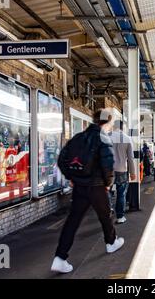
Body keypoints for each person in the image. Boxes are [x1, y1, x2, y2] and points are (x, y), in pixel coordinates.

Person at [51, 109, 124, 274]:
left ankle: (60, 258)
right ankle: (111, 243)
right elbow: (107, 165)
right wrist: (108, 183)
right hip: (97, 186)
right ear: (107, 122)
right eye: (111, 123)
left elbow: (62, 159)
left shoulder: (78, 137)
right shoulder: (103, 138)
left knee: (73, 221)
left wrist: (71, 176)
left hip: (80, 187)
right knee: (106, 216)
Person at [109, 120, 136, 224]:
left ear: (113, 126)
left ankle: (108, 212)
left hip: (109, 171)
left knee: (108, 192)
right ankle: (120, 217)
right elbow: (130, 158)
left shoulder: (107, 136)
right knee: (121, 194)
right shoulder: (127, 138)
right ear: (122, 127)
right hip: (122, 170)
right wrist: (132, 173)